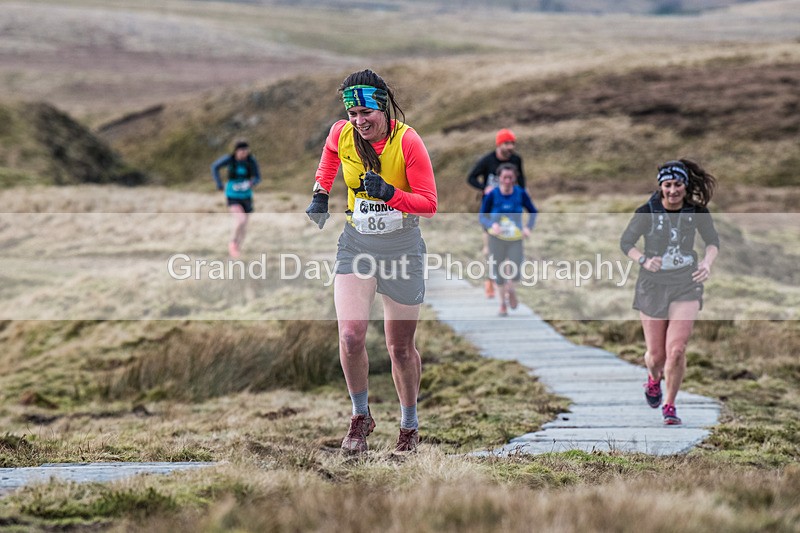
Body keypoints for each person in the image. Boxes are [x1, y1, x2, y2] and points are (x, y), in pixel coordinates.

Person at [304, 69, 437, 454]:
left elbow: (429, 205)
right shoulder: (341, 133)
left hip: (402, 249)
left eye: (366, 112)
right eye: (352, 115)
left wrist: (391, 193)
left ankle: (409, 427)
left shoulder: (407, 141)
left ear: (382, 106)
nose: (359, 122)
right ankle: (361, 417)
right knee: (350, 335)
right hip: (357, 244)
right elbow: (330, 156)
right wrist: (320, 194)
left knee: (399, 348)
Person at [620, 159, 719, 425]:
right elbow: (626, 242)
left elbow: (712, 242)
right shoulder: (647, 212)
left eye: (678, 185)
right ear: (661, 187)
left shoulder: (696, 212)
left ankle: (670, 405)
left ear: (685, 186)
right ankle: (653, 380)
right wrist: (643, 259)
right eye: (668, 185)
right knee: (657, 356)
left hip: (686, 283)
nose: (673, 190)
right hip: (652, 286)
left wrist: (707, 264)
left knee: (676, 350)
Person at [466, 128, 526, 299]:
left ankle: (506, 284)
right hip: (490, 211)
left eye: (513, 143)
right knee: (490, 251)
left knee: (510, 250)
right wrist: (484, 188)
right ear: (499, 144)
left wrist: (522, 197)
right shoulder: (487, 160)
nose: (511, 147)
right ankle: (490, 281)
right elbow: (470, 178)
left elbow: (522, 180)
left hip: (511, 211)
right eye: (507, 143)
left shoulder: (516, 160)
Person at [479, 163, 537, 316]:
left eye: (510, 177)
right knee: (498, 271)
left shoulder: (520, 193)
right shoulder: (492, 195)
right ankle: (502, 305)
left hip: (515, 238)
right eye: (504, 177)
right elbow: (481, 217)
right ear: (499, 179)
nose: (507, 180)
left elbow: (533, 211)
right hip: (496, 238)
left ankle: (510, 290)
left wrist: (528, 228)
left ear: (515, 178)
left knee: (516, 269)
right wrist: (492, 224)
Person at [211, 140, 262, 258]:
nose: (244, 154)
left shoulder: (251, 161)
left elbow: (258, 177)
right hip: (232, 195)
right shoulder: (229, 159)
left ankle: (238, 248)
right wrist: (219, 183)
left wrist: (251, 183)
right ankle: (232, 244)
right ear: (236, 151)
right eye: (242, 151)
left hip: (246, 195)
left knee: (244, 224)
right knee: (240, 219)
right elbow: (214, 167)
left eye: (246, 151)